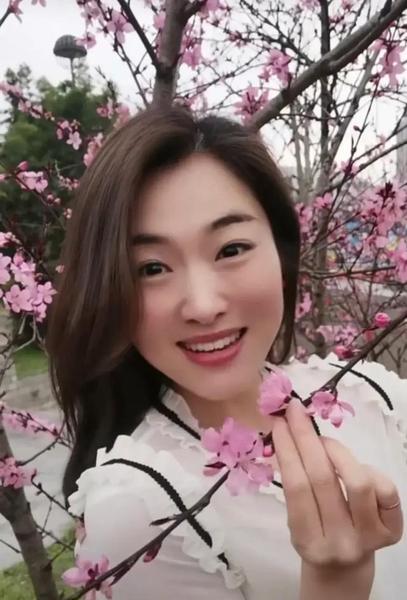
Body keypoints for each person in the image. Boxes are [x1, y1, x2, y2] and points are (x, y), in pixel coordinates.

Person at [46, 105, 407, 600]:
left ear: (281, 250)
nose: (203, 305)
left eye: (231, 249)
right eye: (151, 268)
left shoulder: (370, 395)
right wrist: (334, 587)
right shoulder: (142, 508)